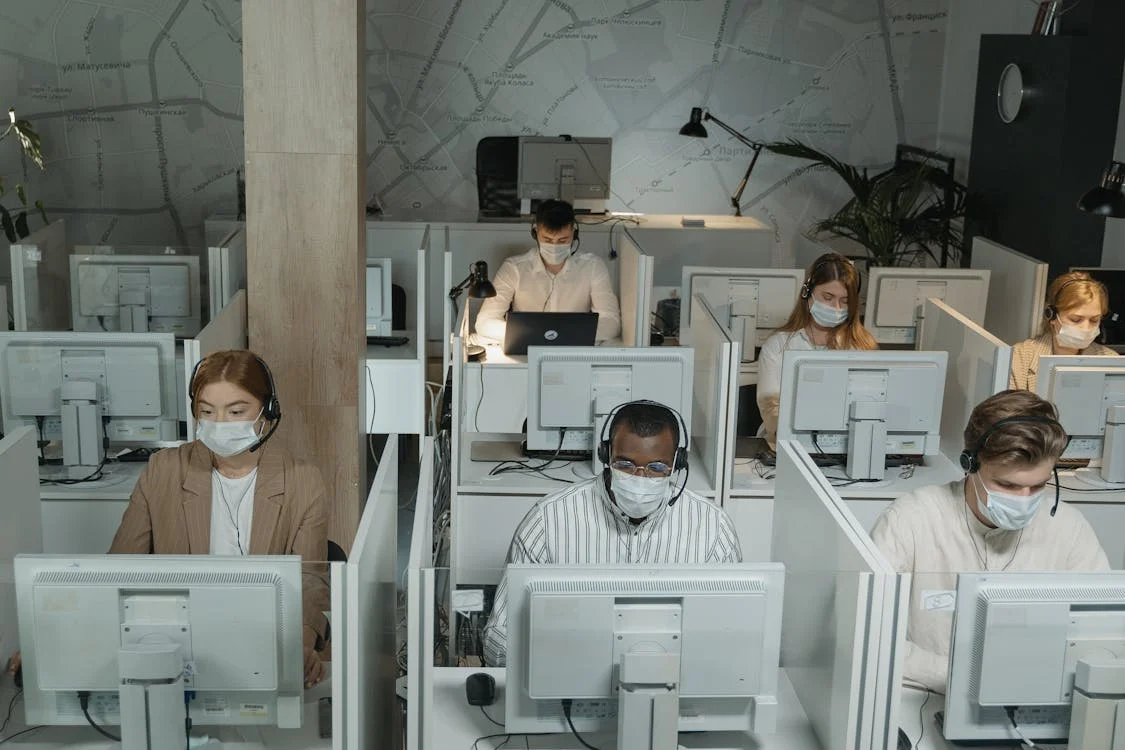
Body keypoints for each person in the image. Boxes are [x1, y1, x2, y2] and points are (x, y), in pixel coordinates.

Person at [110, 349, 330, 688]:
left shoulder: (303, 481)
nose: (221, 424)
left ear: (267, 411)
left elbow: (309, 580)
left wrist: (300, 645)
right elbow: (116, 571)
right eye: (207, 412)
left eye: (237, 411)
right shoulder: (164, 470)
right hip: (176, 646)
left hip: (262, 645)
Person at [871, 389, 1109, 693]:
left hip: (1035, 697)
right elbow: (869, 633)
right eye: (1007, 484)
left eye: (1038, 486)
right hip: (924, 697)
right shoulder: (911, 520)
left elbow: (1097, 635)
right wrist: (963, 679)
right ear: (969, 464)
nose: (1024, 500)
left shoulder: (1068, 528)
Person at [481, 400, 742, 667]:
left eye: (656, 468)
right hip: (570, 684)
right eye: (626, 465)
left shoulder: (712, 529)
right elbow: (497, 643)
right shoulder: (548, 521)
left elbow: (736, 637)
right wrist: (559, 652)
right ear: (606, 455)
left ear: (677, 464)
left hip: (676, 688)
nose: (640, 478)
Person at [756, 252, 877, 447]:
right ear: (807, 293)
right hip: (783, 444)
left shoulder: (862, 347)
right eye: (828, 297)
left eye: (845, 301)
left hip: (846, 446)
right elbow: (770, 408)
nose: (836, 307)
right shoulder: (779, 345)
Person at [474, 199, 622, 344]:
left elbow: (611, 323)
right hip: (526, 354)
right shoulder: (514, 268)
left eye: (563, 240)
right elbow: (485, 321)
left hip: (574, 354)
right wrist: (529, 334)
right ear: (535, 232)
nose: (555, 246)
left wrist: (560, 335)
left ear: (574, 233)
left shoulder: (593, 266)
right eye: (547, 240)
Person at [1010, 270, 1117, 391]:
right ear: (1051, 316)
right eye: (1075, 319)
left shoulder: (1111, 361)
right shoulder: (1019, 358)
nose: (1086, 328)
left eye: (1094, 320)